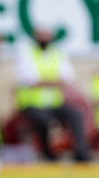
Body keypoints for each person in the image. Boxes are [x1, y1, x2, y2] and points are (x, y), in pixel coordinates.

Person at [15, 27, 91, 161]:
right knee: (43, 119)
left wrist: (43, 81)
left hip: (54, 103)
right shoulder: (27, 52)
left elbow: (67, 78)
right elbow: (29, 80)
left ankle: (80, 152)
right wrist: (53, 81)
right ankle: (48, 153)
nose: (44, 38)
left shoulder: (57, 53)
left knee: (76, 115)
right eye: (41, 35)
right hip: (32, 104)